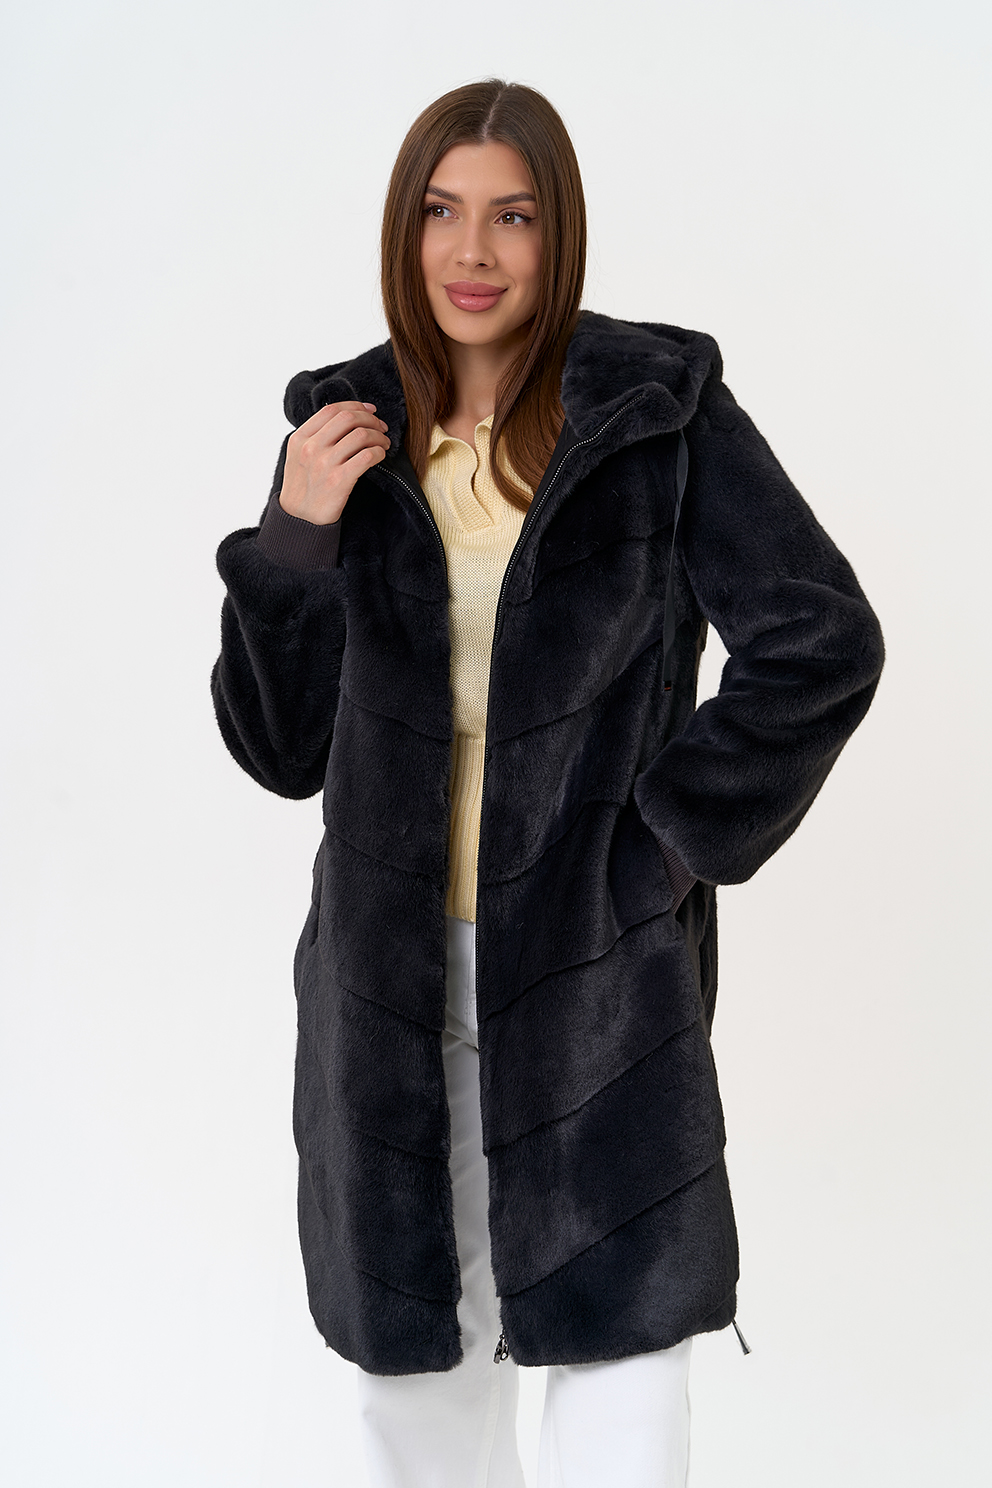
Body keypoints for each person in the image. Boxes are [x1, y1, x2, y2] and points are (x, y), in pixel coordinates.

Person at [210, 78, 884, 1488]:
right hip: (387, 979)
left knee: (620, 1367)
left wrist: (661, 842)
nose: (473, 251)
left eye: (512, 215)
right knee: (416, 1373)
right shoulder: (344, 431)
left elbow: (819, 638)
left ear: (557, 231)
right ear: (402, 231)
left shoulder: (654, 411)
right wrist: (294, 538)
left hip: (596, 973)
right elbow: (279, 751)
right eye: (442, 212)